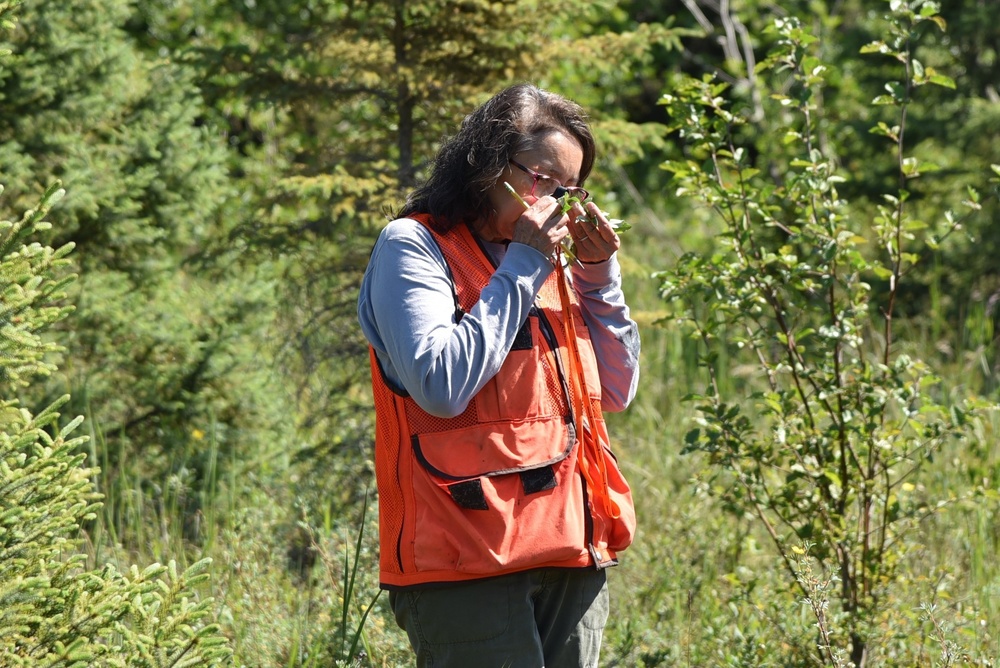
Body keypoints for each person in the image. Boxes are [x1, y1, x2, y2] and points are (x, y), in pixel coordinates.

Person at [357, 83, 641, 668]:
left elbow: (615, 389)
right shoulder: (413, 246)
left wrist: (598, 275)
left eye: (571, 189)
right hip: (463, 564)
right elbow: (439, 385)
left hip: (570, 553)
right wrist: (524, 267)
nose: (558, 204)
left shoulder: (551, 256)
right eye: (542, 180)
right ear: (489, 164)